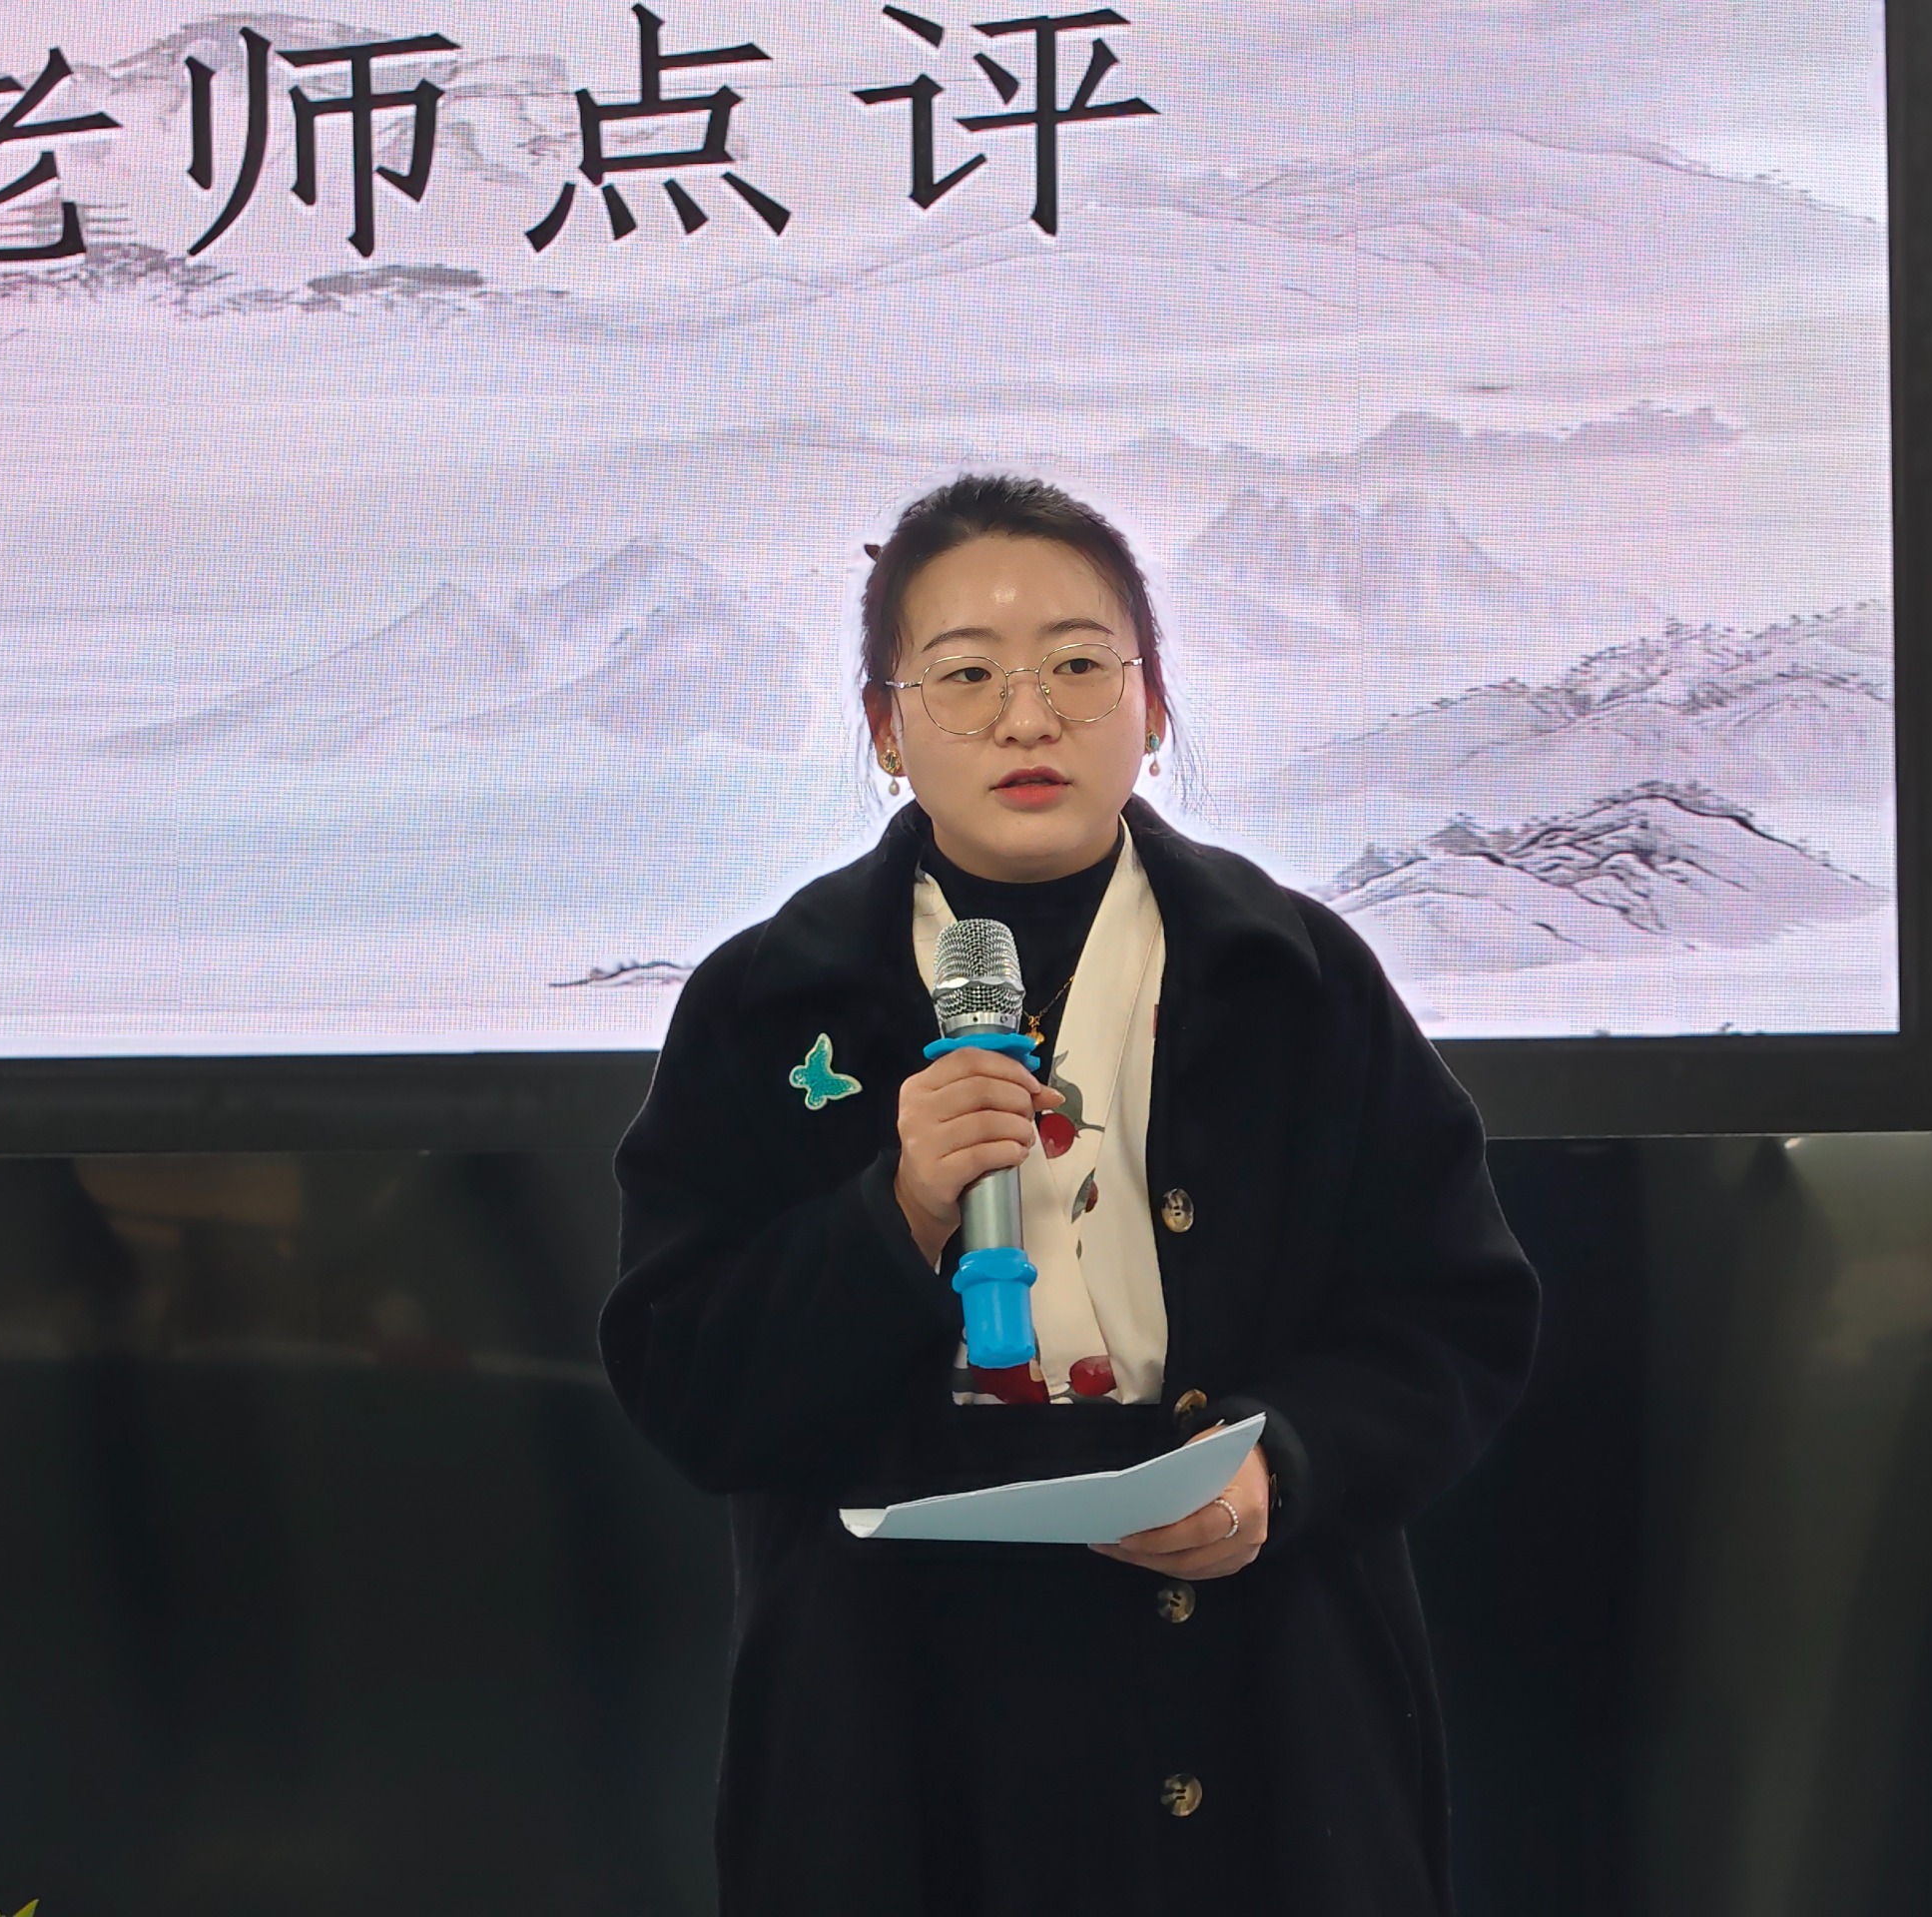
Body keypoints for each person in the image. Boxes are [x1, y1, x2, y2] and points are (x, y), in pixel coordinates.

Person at [602, 474, 1540, 1916]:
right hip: (897, 1712)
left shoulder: (1296, 979)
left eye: (1081, 666)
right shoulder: (767, 1002)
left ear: (1151, 706)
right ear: (885, 728)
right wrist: (897, 1211)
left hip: (1254, 1681)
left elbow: (1452, 1316)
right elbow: (687, 1380)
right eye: (966, 675)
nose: (1028, 718)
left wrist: (1284, 1468)